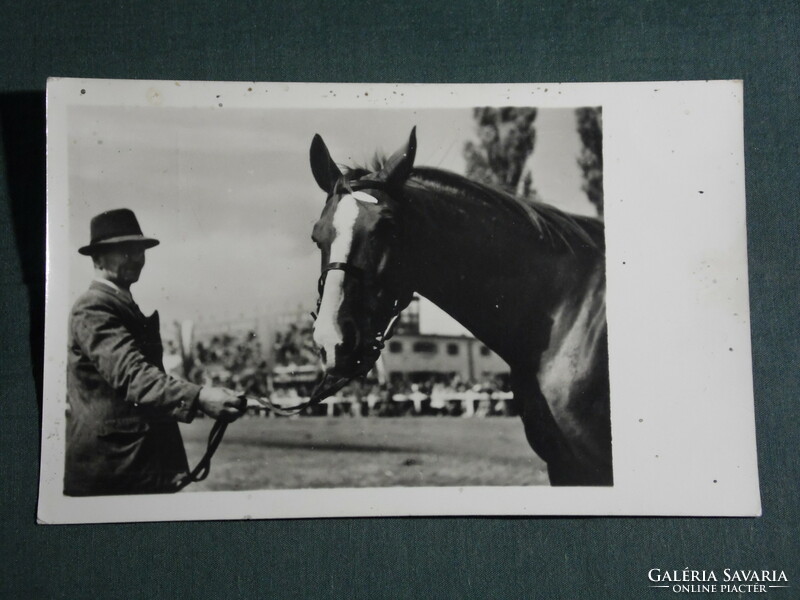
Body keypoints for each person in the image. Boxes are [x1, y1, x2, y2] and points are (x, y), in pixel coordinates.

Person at [64, 208, 245, 496]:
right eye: (125, 251)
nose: (137, 258)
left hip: (136, 464)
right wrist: (199, 396)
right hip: (115, 471)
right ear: (97, 258)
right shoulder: (93, 307)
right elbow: (133, 376)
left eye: (140, 250)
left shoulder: (118, 304)